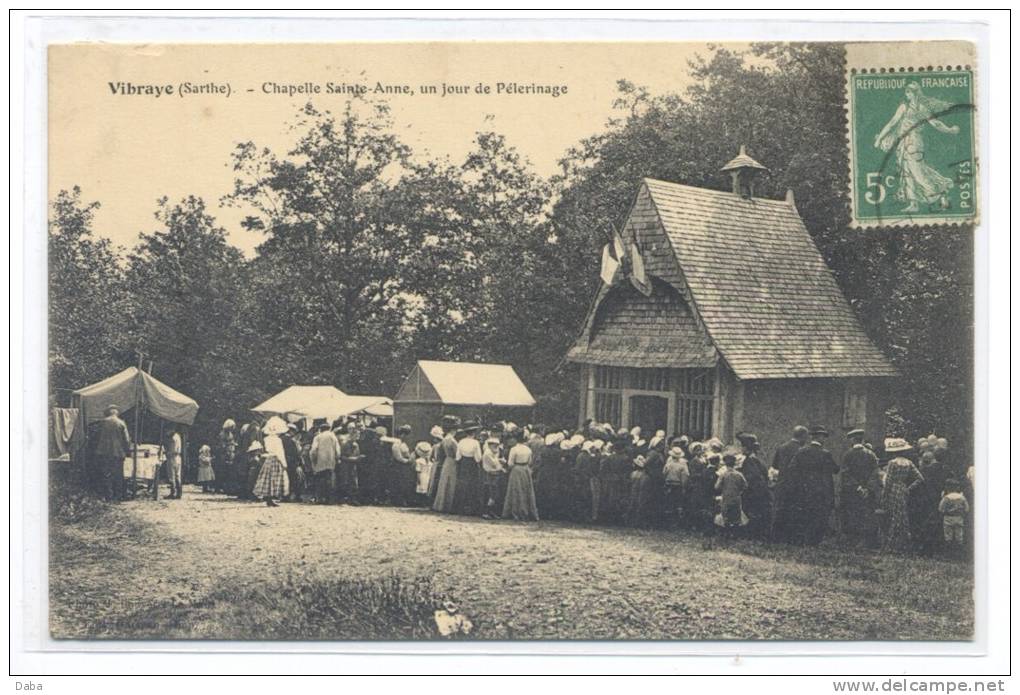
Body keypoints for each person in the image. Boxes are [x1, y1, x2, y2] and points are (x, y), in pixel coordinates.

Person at [874, 81, 960, 213]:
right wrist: (880, 137)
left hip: (914, 142)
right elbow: (892, 123)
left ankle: (942, 192)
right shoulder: (904, 107)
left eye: (909, 92)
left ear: (916, 93)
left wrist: (949, 130)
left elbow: (935, 123)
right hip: (903, 143)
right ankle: (914, 204)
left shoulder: (922, 108)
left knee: (917, 172)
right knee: (907, 172)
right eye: (906, 92)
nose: (907, 94)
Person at [782, 425, 838, 545]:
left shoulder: (801, 452)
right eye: (823, 437)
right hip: (820, 491)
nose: (824, 440)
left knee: (805, 514)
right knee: (818, 516)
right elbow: (835, 469)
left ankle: (803, 540)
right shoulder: (825, 454)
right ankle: (814, 541)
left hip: (804, 490)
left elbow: (792, 469)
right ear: (819, 437)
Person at [880, 438, 925, 552]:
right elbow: (920, 479)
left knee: (893, 516)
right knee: (902, 515)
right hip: (903, 489)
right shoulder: (908, 463)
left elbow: (889, 481)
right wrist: (909, 488)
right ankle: (903, 544)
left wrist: (884, 495)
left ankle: (892, 545)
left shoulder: (892, 463)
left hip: (893, 490)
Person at [838, 429, 881, 548]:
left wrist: (858, 487)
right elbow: (875, 473)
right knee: (866, 514)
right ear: (862, 439)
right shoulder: (871, 454)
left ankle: (852, 540)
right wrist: (867, 488)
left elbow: (845, 473)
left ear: (852, 440)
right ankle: (865, 541)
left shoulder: (847, 454)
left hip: (852, 490)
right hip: (867, 492)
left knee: (852, 513)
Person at [93, 404, 132, 501]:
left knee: (106, 474)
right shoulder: (121, 423)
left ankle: (108, 496)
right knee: (118, 475)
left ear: (108, 412)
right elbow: (126, 440)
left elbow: (96, 437)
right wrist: (128, 451)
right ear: (116, 412)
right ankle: (118, 496)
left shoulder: (102, 422)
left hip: (103, 452)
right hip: (118, 453)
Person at [737, 433, 772, 541]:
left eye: (742, 446)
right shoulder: (757, 460)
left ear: (747, 448)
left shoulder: (749, 461)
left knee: (752, 512)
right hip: (760, 491)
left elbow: (752, 478)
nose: (741, 449)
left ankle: (753, 535)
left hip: (753, 492)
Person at [502, 431, 539, 521]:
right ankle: (526, 511)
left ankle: (515, 512)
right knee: (526, 490)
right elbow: (530, 461)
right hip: (525, 469)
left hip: (517, 469)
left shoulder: (514, 449)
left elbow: (510, 463)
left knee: (516, 490)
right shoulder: (528, 449)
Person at [451, 422, 483, 515]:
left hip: (463, 464)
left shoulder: (461, 441)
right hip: (472, 464)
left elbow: (458, 457)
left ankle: (459, 507)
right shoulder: (475, 443)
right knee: (472, 486)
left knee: (462, 485)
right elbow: (478, 458)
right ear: (473, 433)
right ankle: (471, 509)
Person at [432, 418, 461, 513]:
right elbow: (457, 453)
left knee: (444, 482)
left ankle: (440, 504)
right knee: (451, 482)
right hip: (452, 461)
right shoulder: (452, 440)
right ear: (453, 429)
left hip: (446, 461)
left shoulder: (444, 439)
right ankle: (448, 505)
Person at [714, 452, 748, 534]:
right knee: (736, 514)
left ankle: (727, 532)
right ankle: (735, 533)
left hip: (726, 497)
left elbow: (717, 487)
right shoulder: (739, 474)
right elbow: (745, 486)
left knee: (726, 514)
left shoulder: (723, 475)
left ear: (725, 464)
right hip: (736, 497)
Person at [309, 421, 340, 504]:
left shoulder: (317, 437)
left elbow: (313, 450)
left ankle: (320, 499)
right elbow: (337, 450)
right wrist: (337, 459)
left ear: (320, 429)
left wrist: (313, 460)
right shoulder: (333, 437)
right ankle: (330, 499)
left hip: (320, 461)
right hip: (331, 461)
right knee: (330, 480)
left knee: (320, 480)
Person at [938, 479, 969, 559]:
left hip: (948, 518)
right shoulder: (962, 497)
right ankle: (960, 555)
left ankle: (949, 555)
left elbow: (940, 509)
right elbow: (966, 509)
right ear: (957, 487)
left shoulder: (946, 498)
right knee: (959, 537)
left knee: (948, 537)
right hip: (959, 518)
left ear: (948, 487)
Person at [662, 445, 689, 526]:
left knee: (669, 502)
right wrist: (684, 487)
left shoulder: (668, 464)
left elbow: (664, 474)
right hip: (678, 485)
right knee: (678, 503)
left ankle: (668, 521)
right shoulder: (682, 465)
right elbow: (685, 477)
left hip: (668, 484)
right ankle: (677, 522)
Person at [336, 422, 363, 505]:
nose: (358, 436)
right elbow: (342, 457)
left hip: (353, 467)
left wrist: (358, 458)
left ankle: (353, 499)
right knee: (345, 482)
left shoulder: (356, 445)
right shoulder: (345, 444)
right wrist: (355, 459)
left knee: (354, 483)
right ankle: (343, 499)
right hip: (345, 467)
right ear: (352, 435)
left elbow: (357, 454)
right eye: (356, 435)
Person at [480, 437, 507, 519]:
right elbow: (495, 464)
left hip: (495, 474)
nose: (496, 447)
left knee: (495, 494)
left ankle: (491, 512)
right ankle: (486, 512)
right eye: (494, 445)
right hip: (490, 474)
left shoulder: (493, 453)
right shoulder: (488, 453)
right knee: (490, 494)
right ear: (490, 445)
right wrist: (501, 464)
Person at [390, 424, 415, 506]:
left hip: (404, 466)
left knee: (404, 483)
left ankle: (403, 499)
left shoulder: (403, 444)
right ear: (401, 434)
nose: (406, 437)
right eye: (405, 435)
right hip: (398, 466)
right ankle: (397, 500)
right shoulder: (396, 444)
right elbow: (398, 457)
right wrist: (407, 461)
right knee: (398, 483)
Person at [625, 455, 653, 528]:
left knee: (632, 506)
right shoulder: (645, 476)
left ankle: (630, 522)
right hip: (641, 492)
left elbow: (630, 483)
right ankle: (638, 522)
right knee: (640, 507)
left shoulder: (633, 474)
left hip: (633, 492)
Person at [282, 424, 305, 502]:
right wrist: (299, 463)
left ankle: (285, 496)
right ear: (291, 431)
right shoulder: (291, 441)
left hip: (284, 461)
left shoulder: (281, 439)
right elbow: (295, 453)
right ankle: (297, 496)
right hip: (292, 462)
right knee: (294, 479)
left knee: (286, 479)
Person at [216, 419, 236, 494]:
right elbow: (222, 444)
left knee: (228, 471)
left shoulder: (230, 433)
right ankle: (219, 487)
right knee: (222, 470)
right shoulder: (222, 434)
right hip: (224, 454)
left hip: (230, 452)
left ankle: (226, 487)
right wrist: (228, 445)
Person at [163, 426, 184, 500]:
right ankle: (179, 493)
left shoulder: (172, 438)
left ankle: (173, 493)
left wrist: (166, 452)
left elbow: (173, 450)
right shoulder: (178, 436)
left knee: (171, 476)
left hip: (172, 457)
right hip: (178, 458)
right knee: (178, 475)